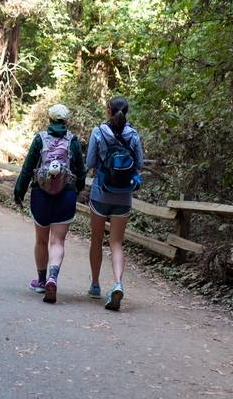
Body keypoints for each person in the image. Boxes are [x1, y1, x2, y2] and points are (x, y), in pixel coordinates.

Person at [13, 104, 86, 303]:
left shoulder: (40, 139)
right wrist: (76, 188)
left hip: (41, 196)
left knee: (42, 240)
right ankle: (53, 278)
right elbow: (80, 170)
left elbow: (28, 167)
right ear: (66, 121)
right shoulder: (72, 141)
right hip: (66, 195)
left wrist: (19, 191)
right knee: (58, 242)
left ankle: (41, 280)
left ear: (50, 119)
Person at [86, 96, 144, 311]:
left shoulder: (98, 132)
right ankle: (118, 283)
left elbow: (90, 162)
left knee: (96, 240)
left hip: (100, 194)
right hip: (124, 196)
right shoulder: (134, 135)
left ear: (108, 110)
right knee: (117, 243)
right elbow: (138, 164)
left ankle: (94, 285)